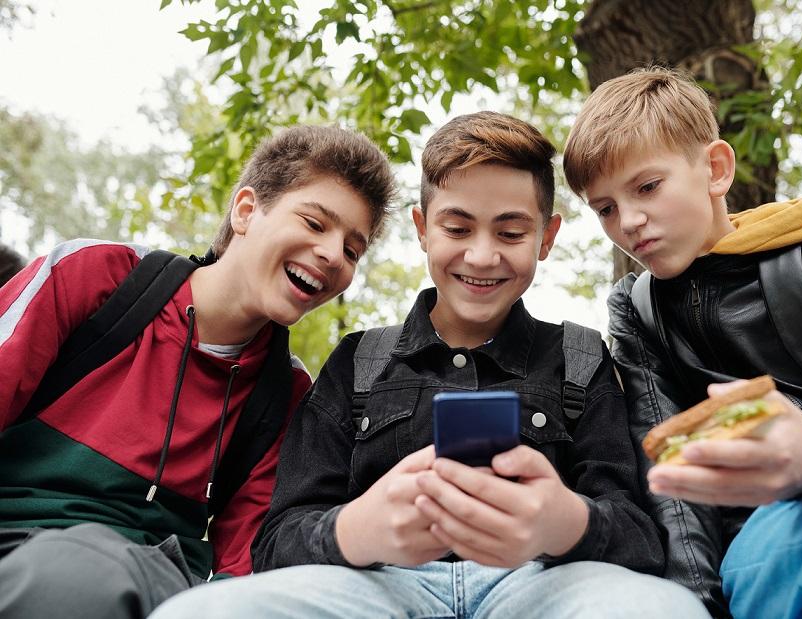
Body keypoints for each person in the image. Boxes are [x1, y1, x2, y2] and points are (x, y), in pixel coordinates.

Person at [151, 111, 708, 618]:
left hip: (542, 586)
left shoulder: (581, 357)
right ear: (422, 229)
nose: (483, 255)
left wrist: (565, 520)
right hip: (376, 589)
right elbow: (276, 540)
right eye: (457, 228)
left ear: (546, 238)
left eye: (511, 232)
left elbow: (639, 535)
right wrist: (358, 530)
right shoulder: (358, 362)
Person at [562, 66, 802, 618]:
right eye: (606, 209)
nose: (629, 222)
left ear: (715, 169)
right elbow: (670, 481)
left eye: (647, 187)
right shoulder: (637, 311)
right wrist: (696, 605)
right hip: (760, 543)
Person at [0, 125, 396, 618]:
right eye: (315, 224)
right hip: (19, 544)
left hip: (161, 584)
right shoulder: (95, 277)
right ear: (247, 211)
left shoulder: (287, 396)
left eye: (353, 250)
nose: (334, 255)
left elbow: (245, 569)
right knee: (74, 573)